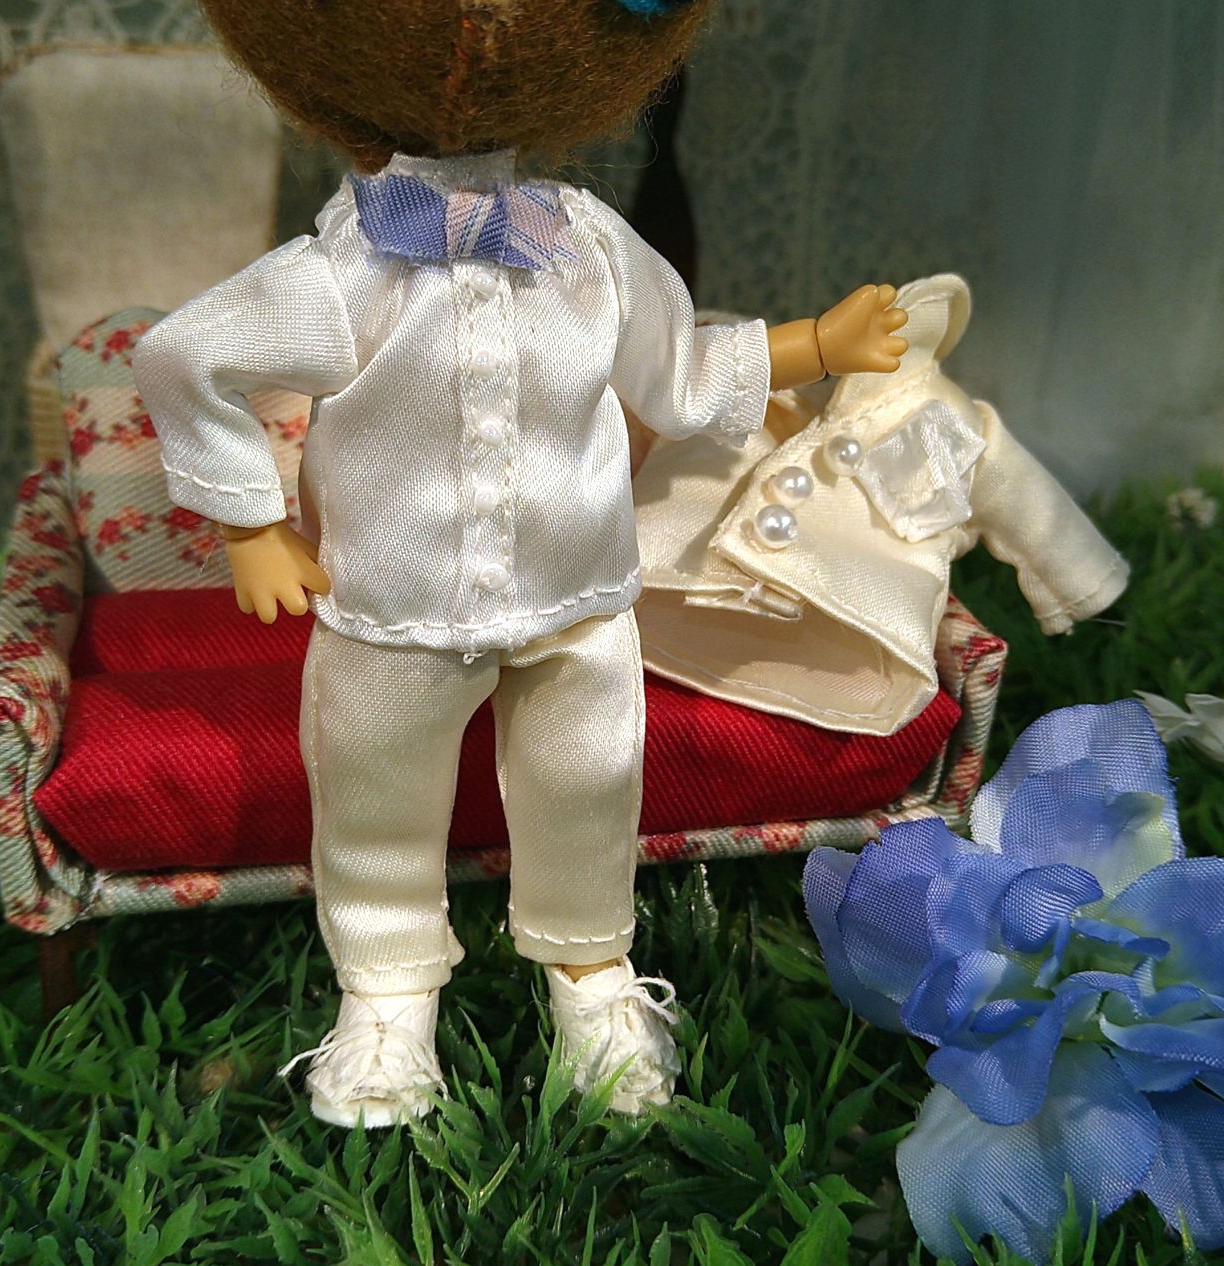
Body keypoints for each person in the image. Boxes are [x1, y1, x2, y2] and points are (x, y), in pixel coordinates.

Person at [134, 0, 907, 1128]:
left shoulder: (581, 243)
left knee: (588, 783)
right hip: (391, 601)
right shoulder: (345, 268)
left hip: (575, 599)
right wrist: (249, 523)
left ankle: (590, 971)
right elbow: (185, 356)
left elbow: (678, 370)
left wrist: (816, 346)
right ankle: (385, 990)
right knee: (374, 799)